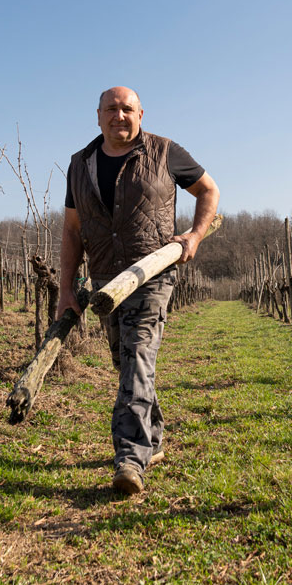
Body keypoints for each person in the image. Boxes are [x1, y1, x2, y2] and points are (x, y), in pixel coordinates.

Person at [58, 86, 219, 495]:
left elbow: (209, 191)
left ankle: (129, 459)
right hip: (104, 280)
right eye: (111, 109)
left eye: (127, 109)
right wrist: (65, 287)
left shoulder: (165, 153)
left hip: (152, 274)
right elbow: (73, 230)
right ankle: (155, 440)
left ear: (141, 114)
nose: (119, 116)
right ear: (97, 116)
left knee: (136, 357)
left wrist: (195, 236)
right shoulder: (80, 165)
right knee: (127, 361)